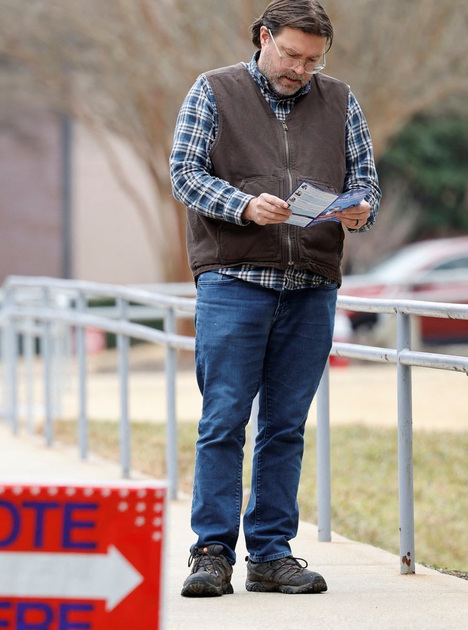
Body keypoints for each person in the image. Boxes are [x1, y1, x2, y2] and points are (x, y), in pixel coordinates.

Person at [168, 0, 381, 597]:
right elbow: (184, 172)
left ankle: (270, 554)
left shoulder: (341, 100)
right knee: (224, 419)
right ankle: (211, 553)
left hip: (312, 284)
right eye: (290, 54)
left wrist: (361, 209)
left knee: (286, 426)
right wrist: (242, 204)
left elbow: (365, 180)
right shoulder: (214, 91)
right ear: (264, 38)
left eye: (313, 60)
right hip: (234, 280)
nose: (300, 69)